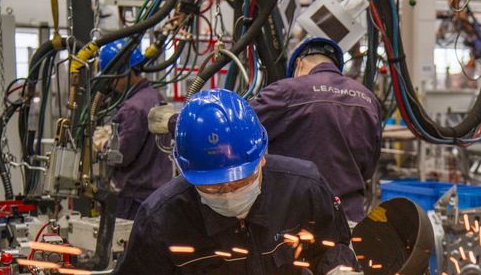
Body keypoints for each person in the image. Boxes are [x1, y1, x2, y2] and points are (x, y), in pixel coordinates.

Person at [109, 89, 371, 275]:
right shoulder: (162, 215)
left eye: (238, 181)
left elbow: (330, 246)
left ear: (261, 157)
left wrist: (337, 271)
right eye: (213, 186)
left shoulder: (302, 187)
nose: (228, 192)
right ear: (185, 171)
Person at [149, 37, 382, 228]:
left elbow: (232, 125)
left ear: (299, 63)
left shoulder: (288, 91)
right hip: (350, 216)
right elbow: (370, 166)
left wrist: (173, 122)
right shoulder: (367, 98)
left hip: (298, 216)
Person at [92, 40, 172, 220]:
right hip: (156, 194)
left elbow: (121, 155)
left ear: (124, 73)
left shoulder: (133, 107)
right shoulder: (155, 96)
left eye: (112, 79)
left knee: (124, 246)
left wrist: (103, 144)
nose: (111, 85)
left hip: (134, 201)